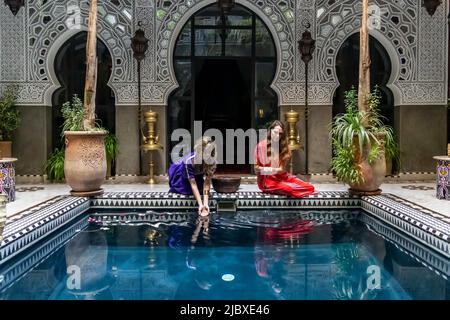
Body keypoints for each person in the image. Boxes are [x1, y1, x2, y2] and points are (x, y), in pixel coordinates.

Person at [254, 120, 315, 198]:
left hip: (282, 177)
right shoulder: (261, 146)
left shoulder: (283, 147)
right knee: (289, 189)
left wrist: (276, 170)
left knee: (309, 187)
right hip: (267, 182)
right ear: (270, 131)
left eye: (280, 134)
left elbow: (281, 169)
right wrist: (272, 170)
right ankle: (283, 188)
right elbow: (256, 169)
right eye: (275, 132)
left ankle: (286, 186)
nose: (277, 135)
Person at [169, 137, 217, 216]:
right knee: (187, 191)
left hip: (197, 175)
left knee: (202, 190)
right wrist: (200, 205)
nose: (207, 155)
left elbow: (207, 183)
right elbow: (193, 185)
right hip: (181, 174)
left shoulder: (212, 161)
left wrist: (205, 204)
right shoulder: (189, 162)